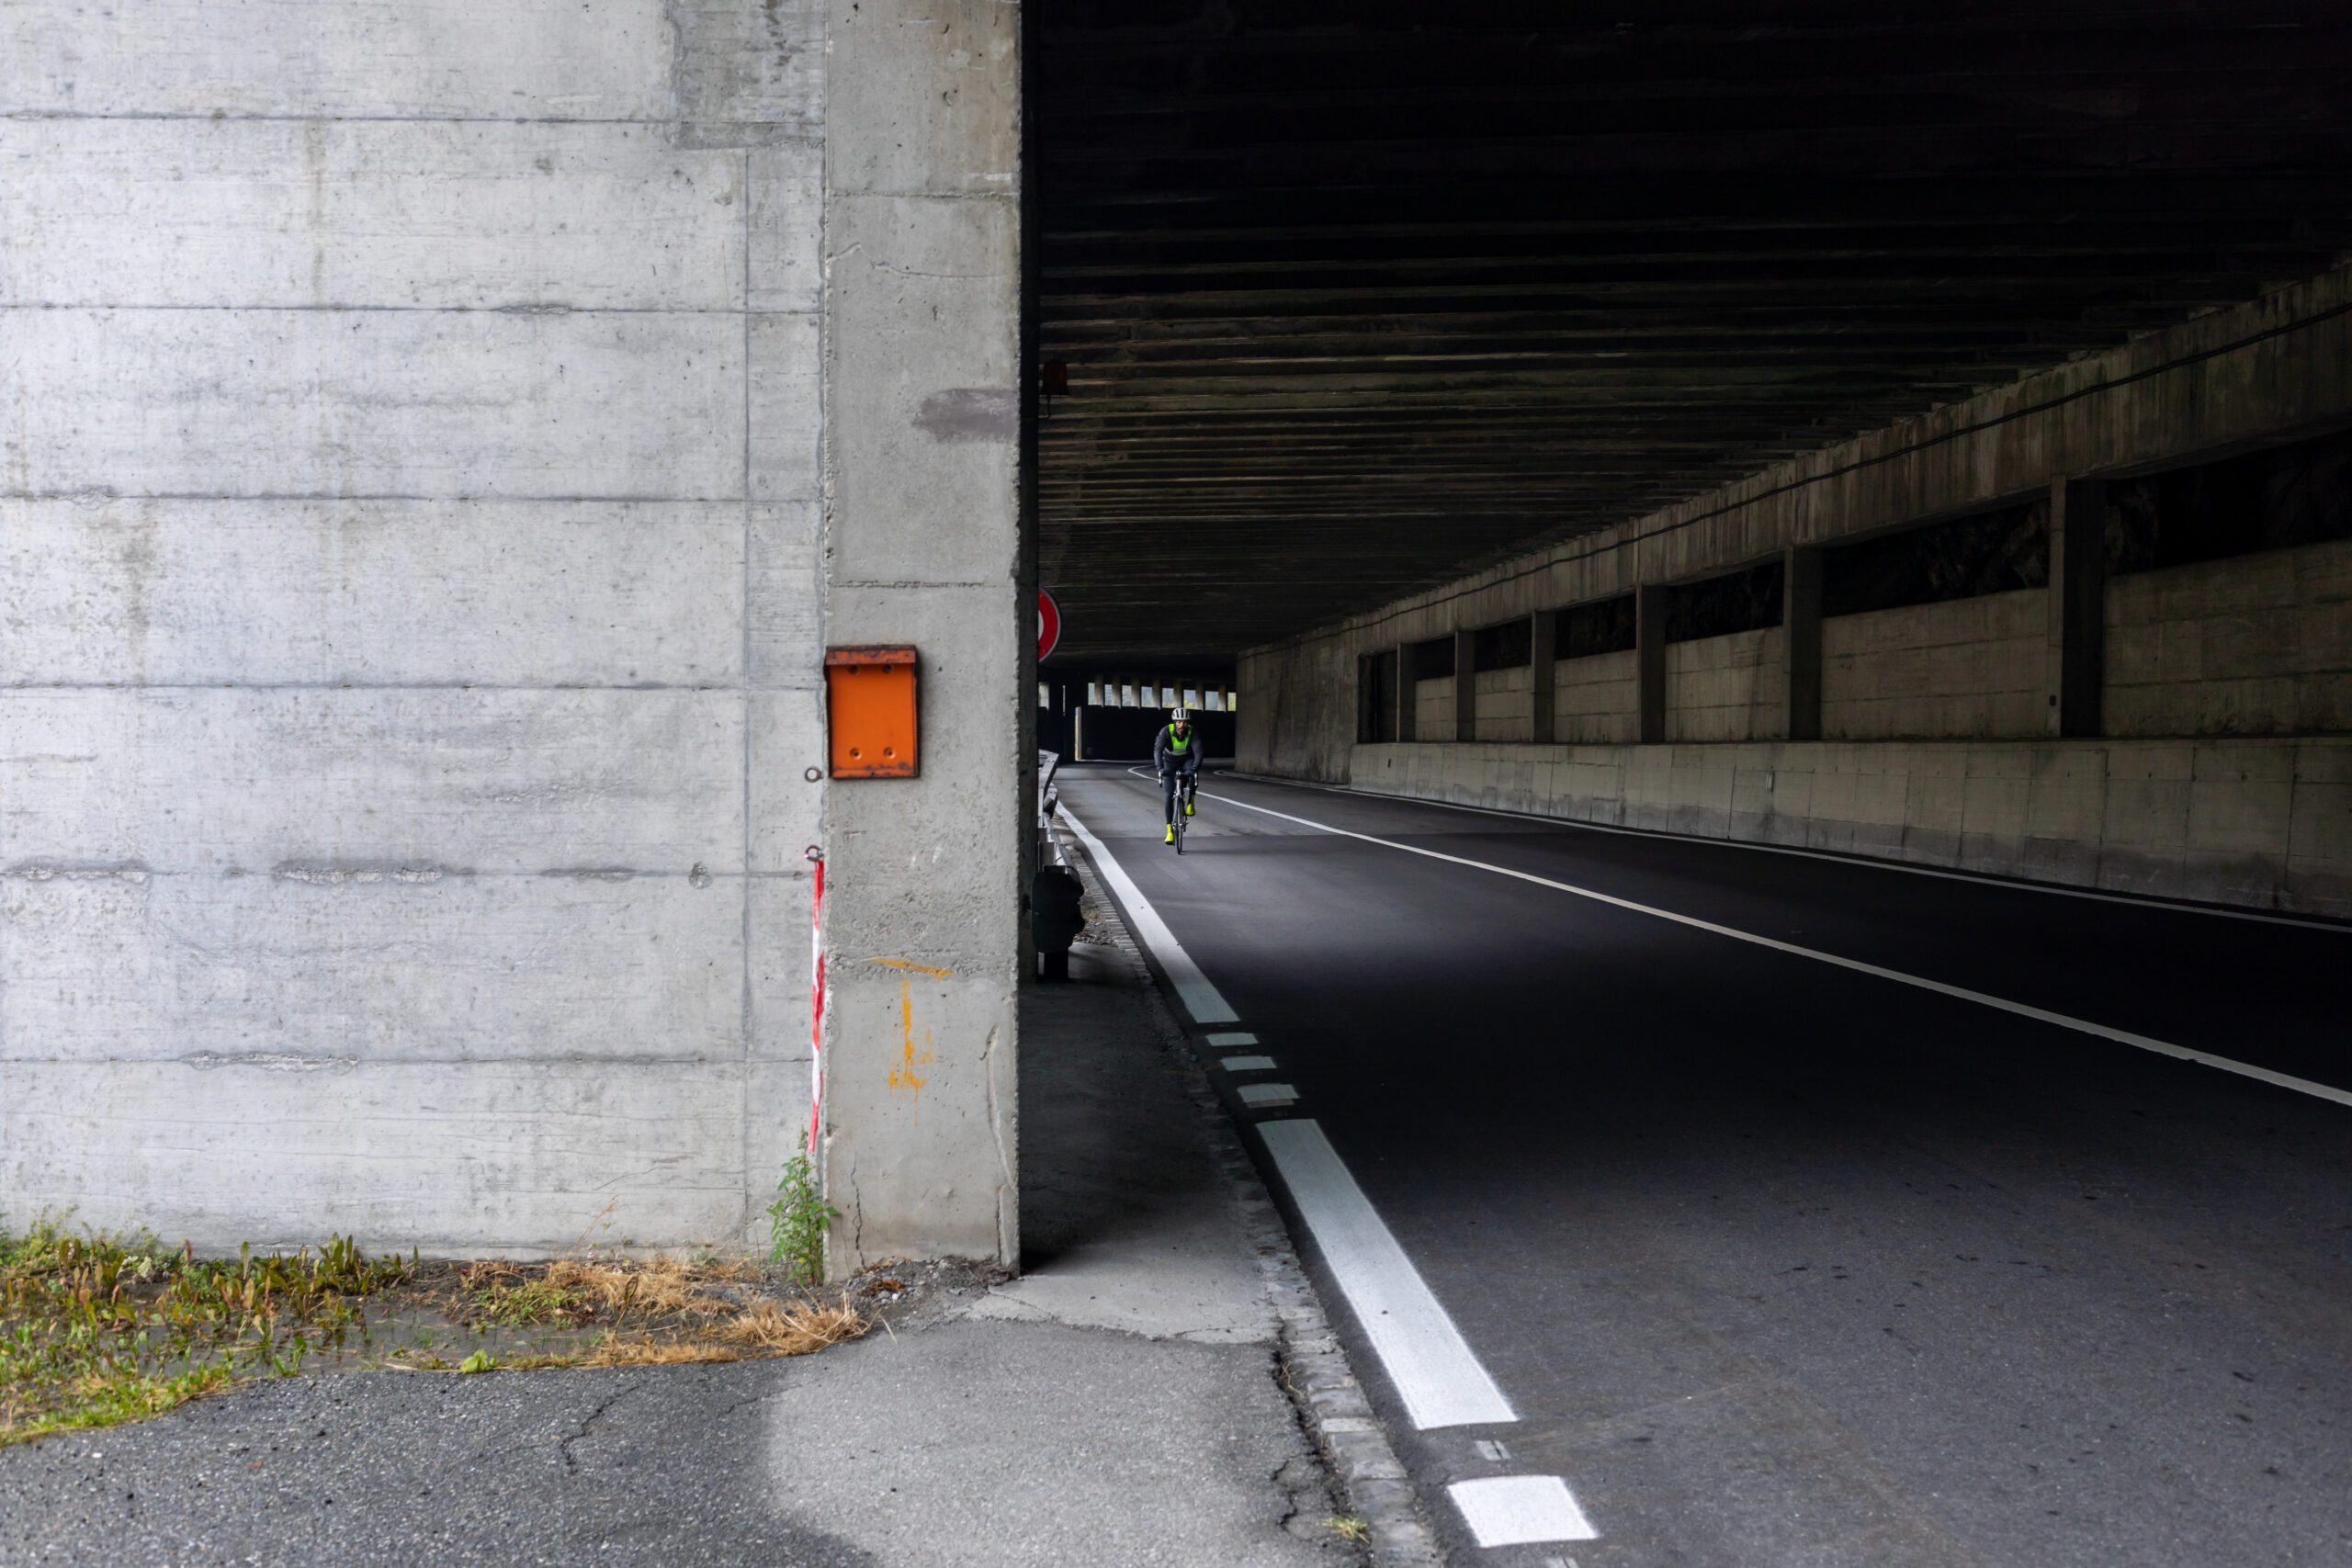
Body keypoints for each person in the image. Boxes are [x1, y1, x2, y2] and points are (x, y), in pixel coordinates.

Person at [1153, 706, 1201, 845]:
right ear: (1174, 722)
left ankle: (1190, 801)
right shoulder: (1165, 732)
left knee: (1193, 776)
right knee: (1168, 796)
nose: (1182, 725)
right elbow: (1158, 750)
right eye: (1179, 722)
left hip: (1187, 760)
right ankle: (1169, 832)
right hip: (1169, 762)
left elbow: (1198, 751)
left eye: (1185, 722)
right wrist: (1160, 768)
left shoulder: (1193, 732)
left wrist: (1194, 768)